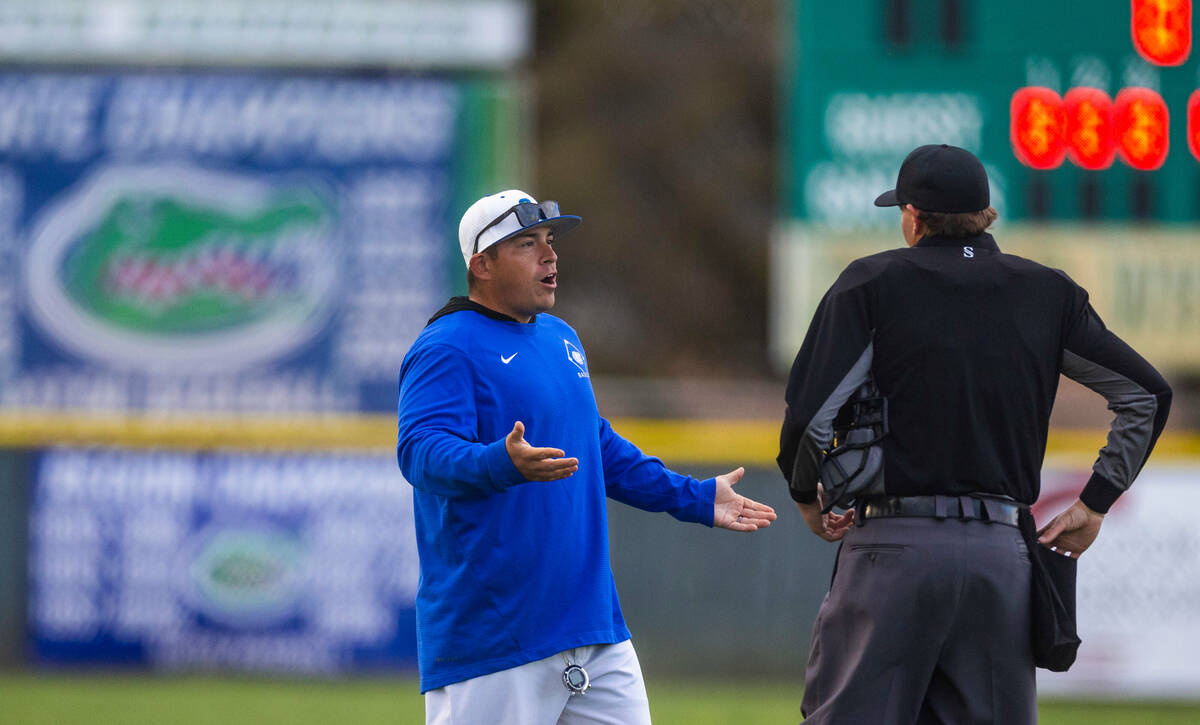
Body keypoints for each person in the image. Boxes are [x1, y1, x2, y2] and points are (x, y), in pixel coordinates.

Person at [778, 145, 1172, 724]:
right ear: (985, 215)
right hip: (1001, 557)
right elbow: (1146, 394)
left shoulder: (873, 280)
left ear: (912, 216)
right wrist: (1095, 503)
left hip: (894, 548)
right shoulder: (1046, 292)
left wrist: (806, 497)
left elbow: (810, 418)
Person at [398, 189, 777, 725]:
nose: (550, 256)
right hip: (495, 635)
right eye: (527, 243)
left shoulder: (560, 337)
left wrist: (691, 496)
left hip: (591, 626)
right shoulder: (446, 346)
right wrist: (498, 463)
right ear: (481, 265)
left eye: (549, 241)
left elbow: (594, 443)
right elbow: (420, 452)